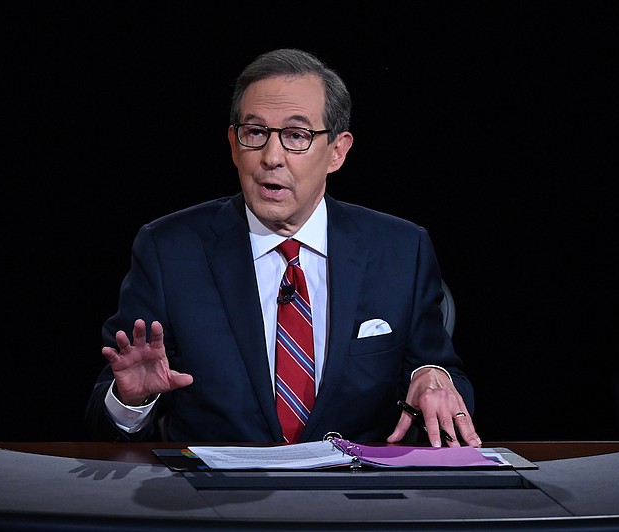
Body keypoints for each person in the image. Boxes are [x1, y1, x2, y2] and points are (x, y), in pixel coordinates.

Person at [85, 48, 481, 448]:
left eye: (297, 136)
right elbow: (102, 422)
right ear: (234, 144)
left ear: (338, 151)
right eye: (255, 133)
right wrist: (133, 400)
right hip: (215, 500)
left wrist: (432, 375)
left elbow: (443, 374)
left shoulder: (400, 250)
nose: (271, 158)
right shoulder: (169, 251)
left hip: (355, 496)